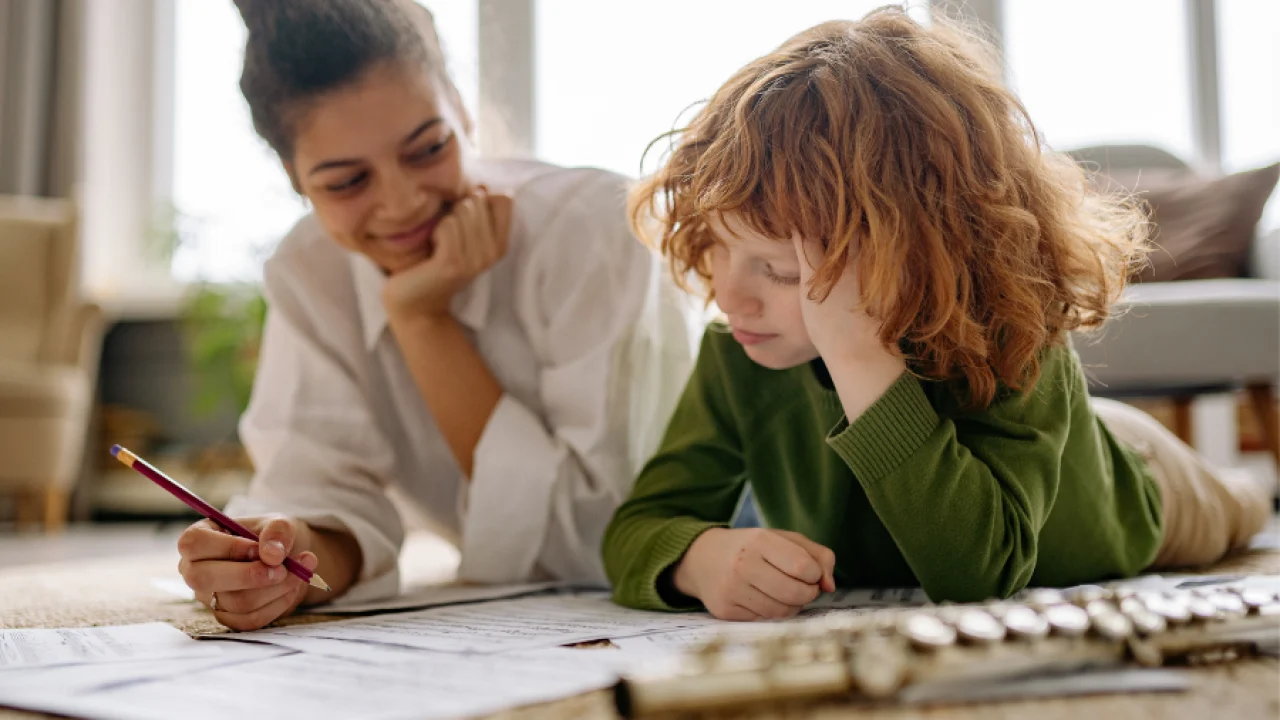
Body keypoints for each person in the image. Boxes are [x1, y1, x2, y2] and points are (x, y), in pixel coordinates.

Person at [602, 7, 1270, 621]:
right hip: (1070, 439)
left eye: (778, 270)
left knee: (1237, 509)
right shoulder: (736, 353)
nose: (729, 295)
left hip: (1139, 485)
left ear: (912, 254)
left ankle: (1244, 488)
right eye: (719, 247)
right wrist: (697, 560)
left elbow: (979, 573)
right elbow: (638, 529)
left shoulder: (1017, 335)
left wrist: (859, 356)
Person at [175, 0, 698, 631]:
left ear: (461, 107)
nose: (401, 203)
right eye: (346, 182)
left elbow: (603, 540)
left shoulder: (589, 231)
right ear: (294, 177)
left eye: (427, 149)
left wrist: (421, 319)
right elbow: (327, 491)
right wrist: (283, 560)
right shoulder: (308, 270)